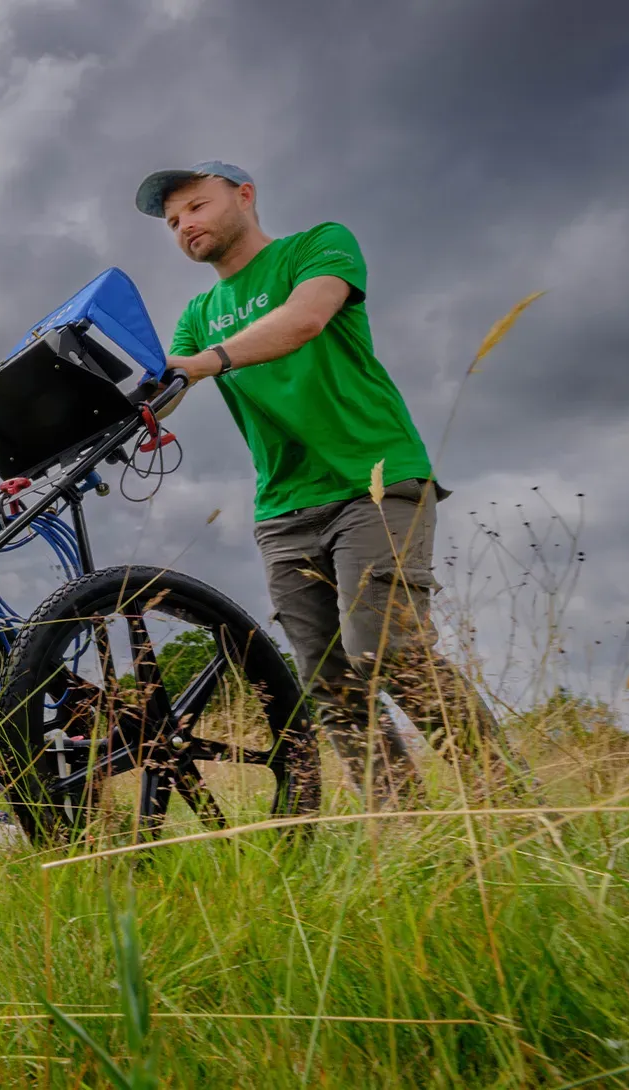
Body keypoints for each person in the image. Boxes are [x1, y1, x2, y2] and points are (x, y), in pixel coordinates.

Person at [134, 160, 507, 809]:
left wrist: (208, 362)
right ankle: (404, 828)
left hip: (374, 477)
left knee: (389, 655)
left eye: (195, 207)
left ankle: (511, 801)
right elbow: (165, 384)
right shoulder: (197, 314)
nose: (184, 226)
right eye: (172, 222)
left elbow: (305, 319)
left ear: (244, 196)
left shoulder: (319, 246)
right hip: (283, 508)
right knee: (329, 682)